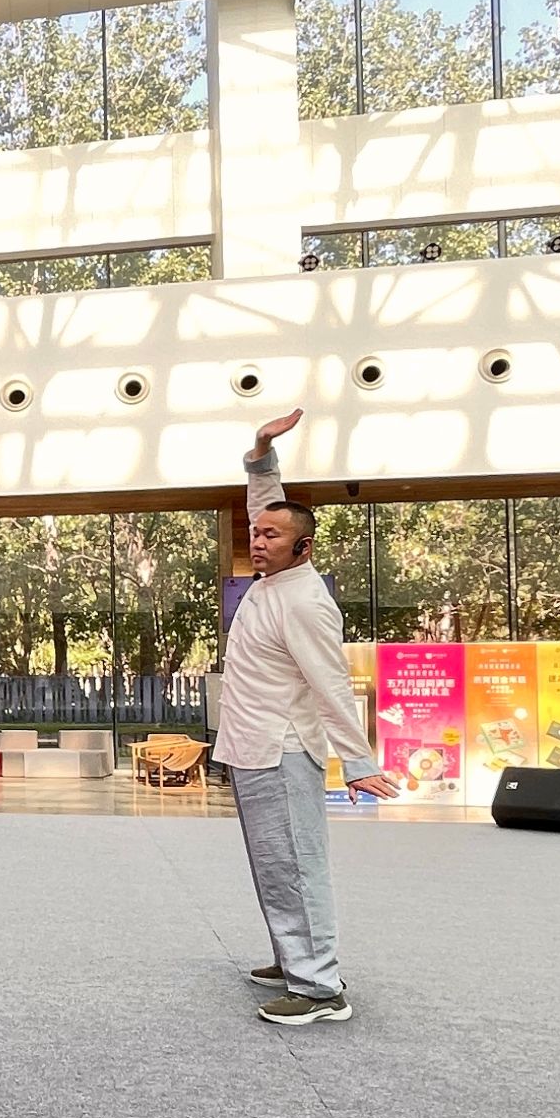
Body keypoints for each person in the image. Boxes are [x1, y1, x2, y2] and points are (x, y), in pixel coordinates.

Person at [214, 409, 398, 1027]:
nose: (259, 540)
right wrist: (262, 453)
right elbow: (268, 504)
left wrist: (358, 762)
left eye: (272, 535)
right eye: (256, 532)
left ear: (304, 547)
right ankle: (293, 959)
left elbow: (331, 686)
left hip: (284, 752)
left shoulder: (305, 602)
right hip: (253, 747)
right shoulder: (274, 578)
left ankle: (320, 990)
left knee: (295, 864)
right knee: (273, 864)